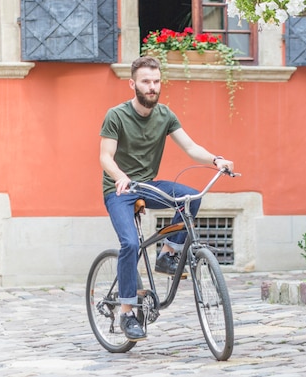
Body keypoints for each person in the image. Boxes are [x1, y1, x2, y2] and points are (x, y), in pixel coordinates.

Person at [99, 56, 234, 342]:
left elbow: (190, 146)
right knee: (130, 244)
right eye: (146, 81)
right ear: (132, 83)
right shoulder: (117, 115)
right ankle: (126, 313)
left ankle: (168, 254)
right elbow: (105, 157)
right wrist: (120, 176)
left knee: (190, 198)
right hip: (119, 190)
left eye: (156, 82)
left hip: (147, 185)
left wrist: (216, 159)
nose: (152, 87)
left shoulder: (165, 115)